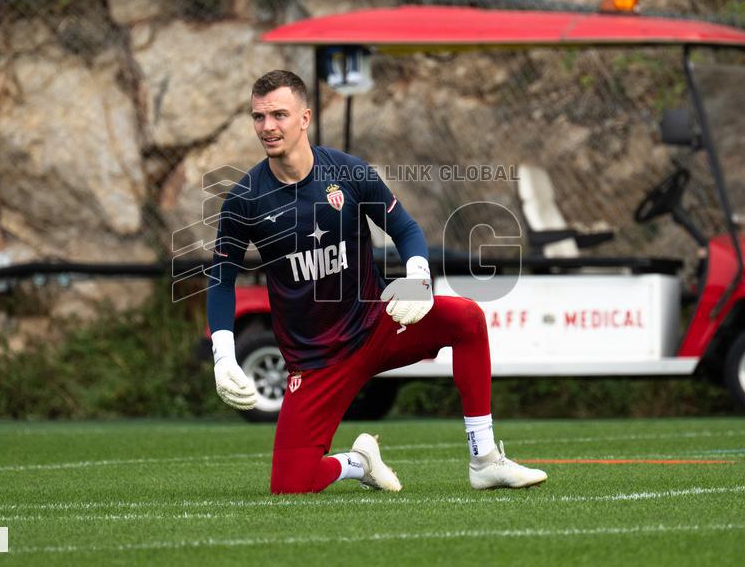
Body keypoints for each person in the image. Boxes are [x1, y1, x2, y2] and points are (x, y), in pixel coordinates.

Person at [206, 69, 547, 494]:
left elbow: (405, 229)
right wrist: (223, 354)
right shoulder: (245, 199)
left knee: (467, 318)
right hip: (315, 362)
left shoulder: (349, 172)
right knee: (291, 486)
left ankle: (485, 459)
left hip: (375, 327)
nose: (268, 126)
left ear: (305, 117)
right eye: (259, 117)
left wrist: (419, 278)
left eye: (279, 114)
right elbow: (221, 281)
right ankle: (358, 461)